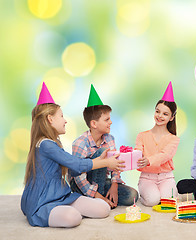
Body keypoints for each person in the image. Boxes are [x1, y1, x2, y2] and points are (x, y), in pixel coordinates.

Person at [21, 82, 124, 227]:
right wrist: (105, 162)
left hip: (62, 196)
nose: (65, 120)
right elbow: (75, 163)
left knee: (103, 209)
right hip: (43, 202)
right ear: (50, 119)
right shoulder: (45, 145)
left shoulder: (54, 142)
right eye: (61, 116)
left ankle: (63, 210)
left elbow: (73, 168)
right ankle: (59, 213)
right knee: (73, 218)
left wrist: (98, 161)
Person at [69, 84, 138, 208]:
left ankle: (97, 199)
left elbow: (116, 164)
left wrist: (114, 185)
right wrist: (98, 196)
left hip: (102, 180)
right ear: (94, 124)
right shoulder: (80, 143)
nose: (110, 122)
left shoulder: (110, 139)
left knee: (132, 195)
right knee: (102, 152)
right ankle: (95, 198)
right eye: (107, 120)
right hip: (81, 184)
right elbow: (78, 177)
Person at [135, 82, 180, 206]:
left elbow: (165, 155)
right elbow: (138, 152)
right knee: (152, 201)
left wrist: (148, 160)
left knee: (168, 202)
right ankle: (145, 195)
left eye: (165, 114)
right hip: (147, 177)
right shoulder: (142, 135)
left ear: (171, 118)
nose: (160, 116)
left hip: (166, 177)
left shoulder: (174, 139)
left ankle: (167, 193)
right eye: (157, 111)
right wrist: (133, 156)